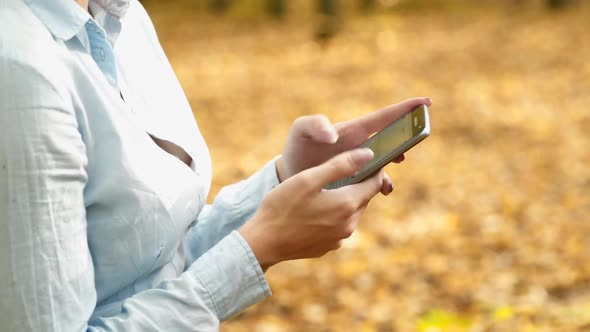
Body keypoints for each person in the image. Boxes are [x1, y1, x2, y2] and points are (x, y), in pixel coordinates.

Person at [0, 0, 432, 330]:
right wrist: (258, 248)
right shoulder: (19, 69)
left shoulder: (122, 17)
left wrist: (282, 181)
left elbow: (148, 259)